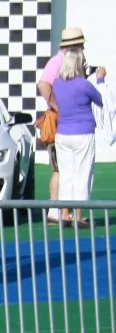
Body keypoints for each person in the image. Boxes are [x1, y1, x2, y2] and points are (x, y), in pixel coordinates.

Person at [52, 49, 106, 214]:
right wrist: (100, 79)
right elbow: (101, 99)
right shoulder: (84, 84)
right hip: (83, 133)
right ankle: (78, 215)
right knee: (82, 175)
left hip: (62, 133)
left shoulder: (57, 84)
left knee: (66, 175)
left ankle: (65, 214)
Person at [37, 26, 84, 210]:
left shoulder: (61, 60)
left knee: (63, 168)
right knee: (59, 169)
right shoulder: (58, 61)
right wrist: (56, 106)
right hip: (60, 121)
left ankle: (59, 211)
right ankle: (56, 210)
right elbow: (43, 84)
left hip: (64, 121)